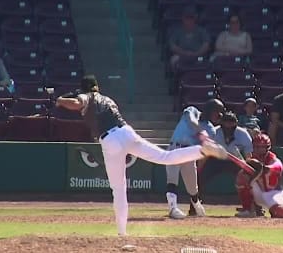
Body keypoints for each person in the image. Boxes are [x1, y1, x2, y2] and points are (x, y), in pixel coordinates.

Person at [55, 75, 228, 236]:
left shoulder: (88, 97)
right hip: (127, 131)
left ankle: (122, 233)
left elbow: (78, 103)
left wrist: (60, 100)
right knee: (164, 157)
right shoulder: (108, 99)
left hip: (110, 140)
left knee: (119, 189)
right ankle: (201, 150)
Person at [165, 99, 225, 219]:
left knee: (192, 187)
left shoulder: (211, 129)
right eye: (216, 112)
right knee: (172, 179)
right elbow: (192, 121)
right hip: (175, 148)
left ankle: (197, 205)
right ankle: (173, 208)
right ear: (209, 110)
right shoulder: (192, 110)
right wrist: (201, 132)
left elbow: (204, 148)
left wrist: (212, 146)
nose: (217, 115)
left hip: (189, 153)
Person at [197, 111, 253, 214]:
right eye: (226, 123)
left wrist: (248, 171)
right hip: (215, 159)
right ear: (221, 123)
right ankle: (194, 206)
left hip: (235, 160)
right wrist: (199, 169)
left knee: (248, 179)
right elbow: (205, 152)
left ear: (236, 124)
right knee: (199, 179)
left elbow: (249, 156)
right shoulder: (214, 132)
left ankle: (251, 207)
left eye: (231, 123)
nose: (228, 126)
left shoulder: (243, 134)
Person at [235, 133, 283, 218]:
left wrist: (265, 168)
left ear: (267, 148)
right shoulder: (251, 159)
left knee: (281, 213)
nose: (259, 150)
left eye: (262, 147)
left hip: (273, 193)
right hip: (258, 192)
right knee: (242, 176)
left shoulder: (273, 159)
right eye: (257, 147)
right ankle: (248, 210)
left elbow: (278, 167)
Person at [168, 6, 210, 72]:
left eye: (191, 18)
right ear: (183, 18)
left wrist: (196, 53)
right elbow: (172, 46)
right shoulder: (177, 31)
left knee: (205, 62)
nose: (189, 20)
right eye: (187, 18)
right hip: (181, 55)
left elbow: (206, 45)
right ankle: (176, 79)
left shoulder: (201, 31)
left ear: (195, 19)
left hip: (198, 55)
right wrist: (184, 53)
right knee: (174, 60)